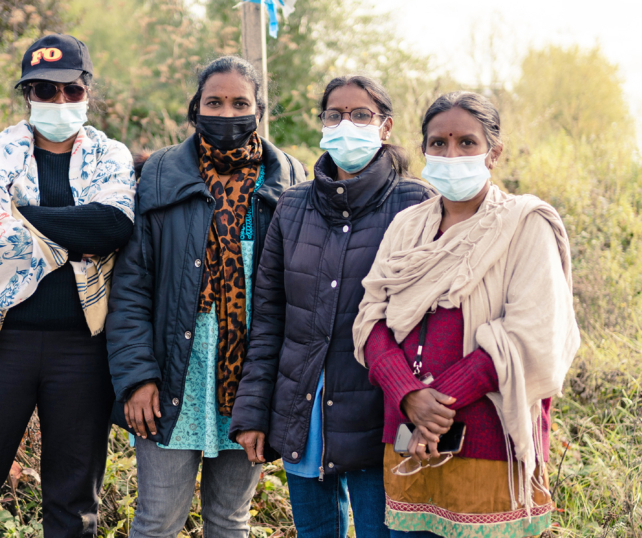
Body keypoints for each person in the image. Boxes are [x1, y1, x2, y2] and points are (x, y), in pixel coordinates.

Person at [0, 34, 136, 537]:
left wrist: (19, 217)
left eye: (71, 91)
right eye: (44, 90)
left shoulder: (111, 154)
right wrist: (74, 232)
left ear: (87, 92)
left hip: (81, 350)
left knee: (74, 499)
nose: (59, 101)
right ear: (28, 96)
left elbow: (112, 225)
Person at [352, 91, 581, 538]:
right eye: (438, 143)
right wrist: (407, 396)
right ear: (423, 151)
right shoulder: (407, 226)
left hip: (489, 442)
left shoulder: (524, 224)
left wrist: (436, 404)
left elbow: (529, 335)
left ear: (493, 153)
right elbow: (370, 319)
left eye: (466, 143)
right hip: (407, 440)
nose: (451, 154)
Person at [106, 55, 304, 538]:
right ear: (195, 109)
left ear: (258, 111)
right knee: (157, 521)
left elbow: (297, 297)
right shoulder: (158, 175)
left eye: (240, 102)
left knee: (230, 520)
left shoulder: (289, 182)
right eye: (214, 102)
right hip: (174, 374)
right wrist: (136, 378)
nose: (227, 112)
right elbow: (131, 287)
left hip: (249, 383)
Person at [229, 75, 435, 538]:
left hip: (380, 418)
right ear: (322, 123)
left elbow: (427, 324)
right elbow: (270, 320)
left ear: (385, 127)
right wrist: (253, 412)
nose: (347, 124)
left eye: (361, 115)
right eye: (335, 114)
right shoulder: (293, 205)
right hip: (305, 414)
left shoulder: (416, 203)